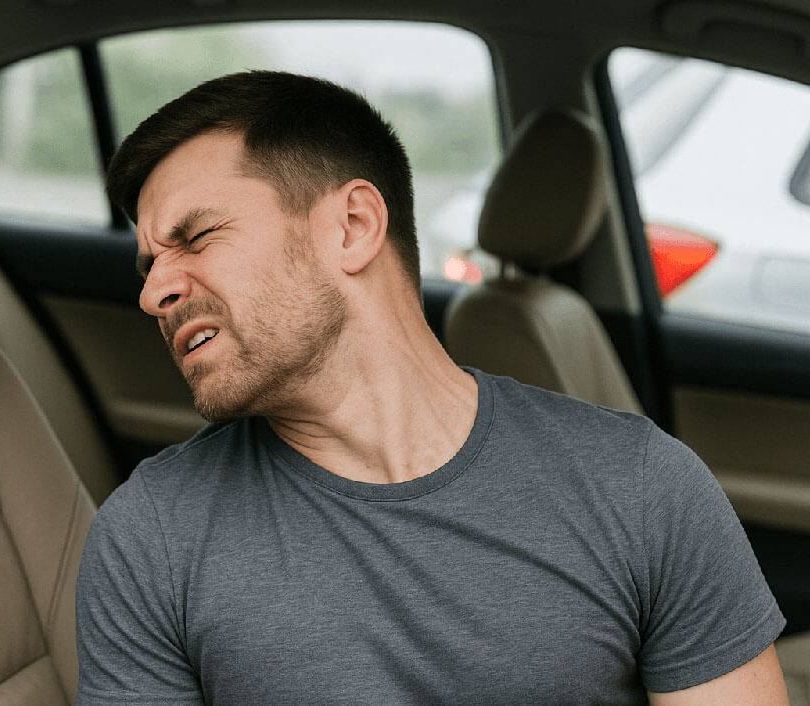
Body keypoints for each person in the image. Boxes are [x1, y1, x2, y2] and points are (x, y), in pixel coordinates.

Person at [74, 70, 789, 705]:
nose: (154, 292)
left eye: (195, 237)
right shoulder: (149, 541)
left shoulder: (642, 485)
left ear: (353, 226)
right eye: (148, 266)